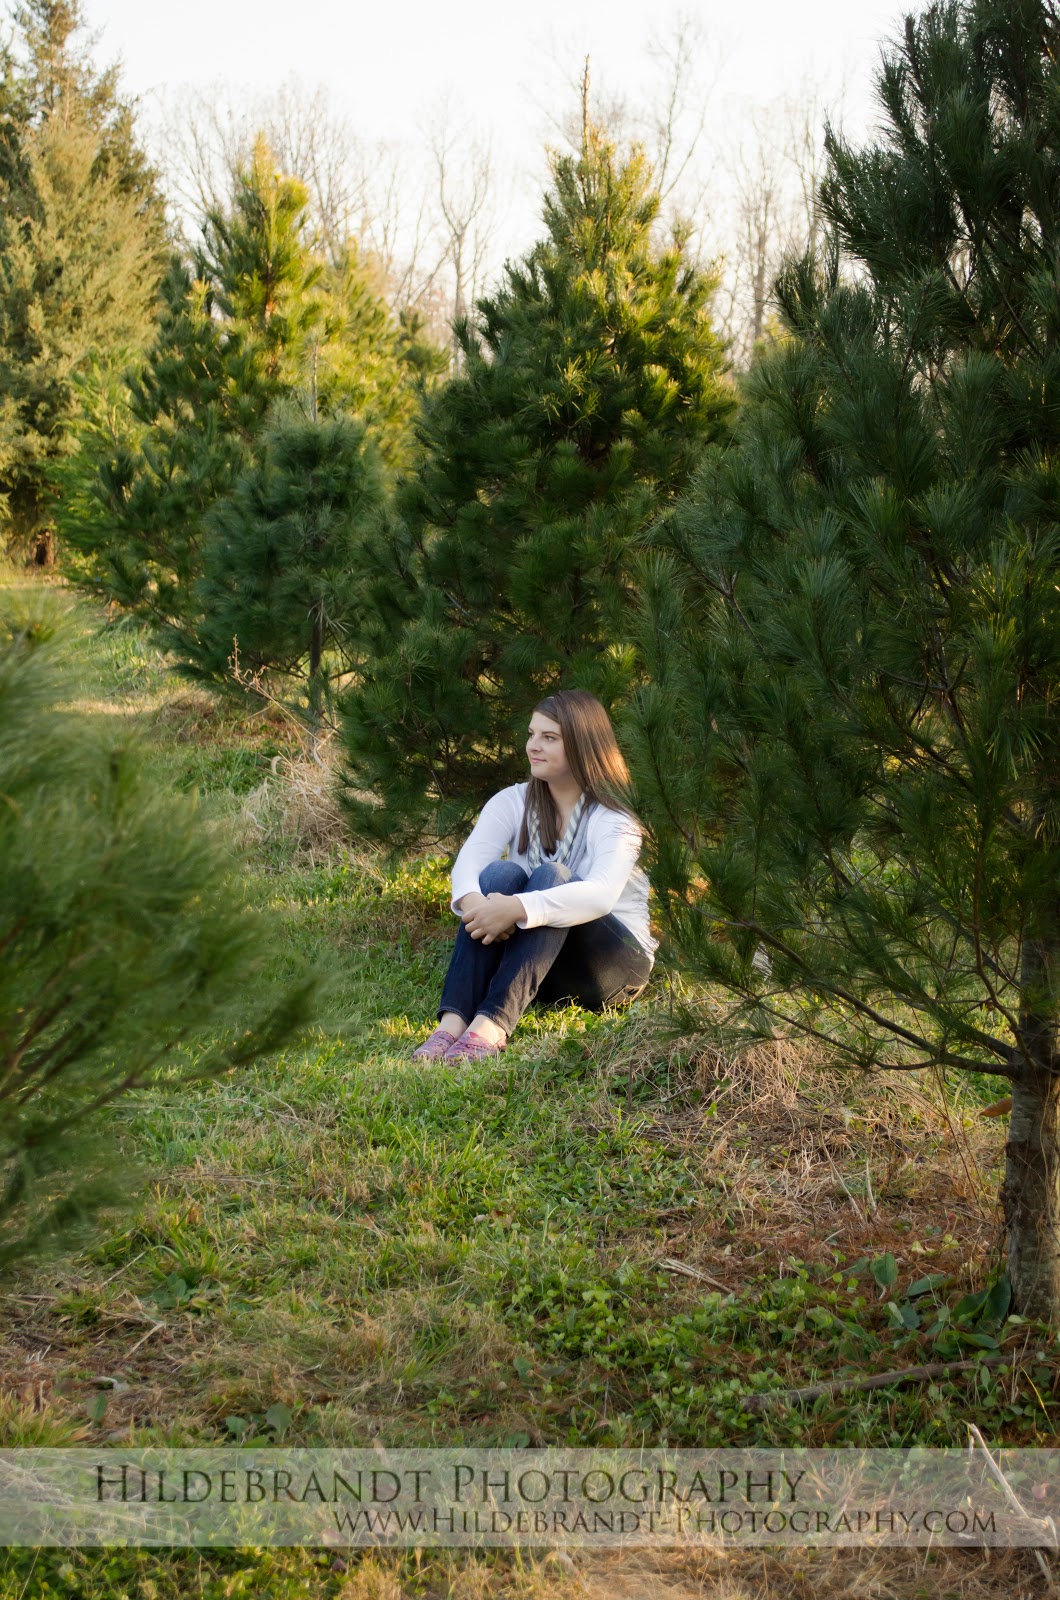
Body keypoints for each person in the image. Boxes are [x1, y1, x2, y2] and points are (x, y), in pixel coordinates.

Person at [412, 689, 656, 1061]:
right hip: (542, 970)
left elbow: (601, 895)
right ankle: (452, 1024)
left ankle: (490, 1027)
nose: (533, 746)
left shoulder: (615, 817)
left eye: (549, 737)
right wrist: (480, 907)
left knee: (554, 876)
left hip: (614, 969)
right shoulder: (513, 801)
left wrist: (515, 908)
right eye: (531, 734)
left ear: (582, 744)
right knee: (499, 873)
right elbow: (469, 865)